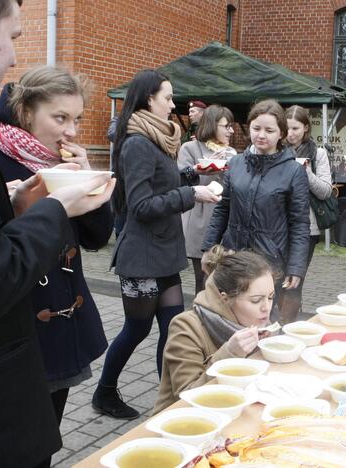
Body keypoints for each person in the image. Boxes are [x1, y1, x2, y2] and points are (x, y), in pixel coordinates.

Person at [0, 2, 116, 466]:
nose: (14, 56)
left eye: (77, 119)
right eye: (13, 36)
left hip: (50, 335)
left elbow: (94, 237)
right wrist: (53, 208)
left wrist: (72, 191)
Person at [0, 65, 112, 431]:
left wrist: (89, 180)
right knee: (16, 438)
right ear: (26, 112)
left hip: (63, 322)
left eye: (77, 119)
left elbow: (97, 238)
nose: (71, 131)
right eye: (60, 117)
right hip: (15, 329)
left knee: (48, 432)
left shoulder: (63, 161)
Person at [93, 70, 219, 420]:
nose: (173, 103)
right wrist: (190, 193)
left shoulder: (158, 139)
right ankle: (104, 393)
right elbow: (142, 205)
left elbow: (163, 181)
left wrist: (194, 174)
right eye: (168, 97)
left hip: (163, 254)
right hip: (141, 255)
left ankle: (172, 395)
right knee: (137, 328)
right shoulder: (136, 142)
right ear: (150, 99)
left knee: (173, 327)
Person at [203, 99, 310, 324]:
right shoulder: (236, 164)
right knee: (228, 316)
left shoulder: (293, 171)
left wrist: (296, 267)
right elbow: (223, 207)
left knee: (263, 319)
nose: (262, 135)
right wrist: (208, 248)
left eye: (269, 130)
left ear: (281, 133)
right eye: (256, 128)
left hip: (270, 260)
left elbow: (300, 223)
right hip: (234, 256)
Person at [152, 246, 275, 413]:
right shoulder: (186, 326)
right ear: (225, 298)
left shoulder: (257, 323)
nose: (266, 308)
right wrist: (230, 353)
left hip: (234, 411)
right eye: (256, 300)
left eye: (270, 297)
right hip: (184, 422)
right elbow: (188, 395)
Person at [278, 105, 333, 321]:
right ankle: (274, 320)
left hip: (306, 228)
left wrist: (306, 172)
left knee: (294, 279)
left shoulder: (317, 154)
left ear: (306, 128)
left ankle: (287, 323)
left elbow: (325, 190)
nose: (290, 134)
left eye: (295, 128)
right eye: (287, 128)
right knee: (275, 277)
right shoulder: (277, 151)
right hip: (278, 224)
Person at [179, 105, 236, 294]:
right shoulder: (190, 148)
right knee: (203, 280)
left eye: (231, 126)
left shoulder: (232, 153)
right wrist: (208, 164)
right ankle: (200, 319)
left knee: (224, 282)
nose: (231, 131)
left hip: (226, 223)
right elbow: (181, 181)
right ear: (212, 125)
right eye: (226, 126)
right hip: (200, 221)